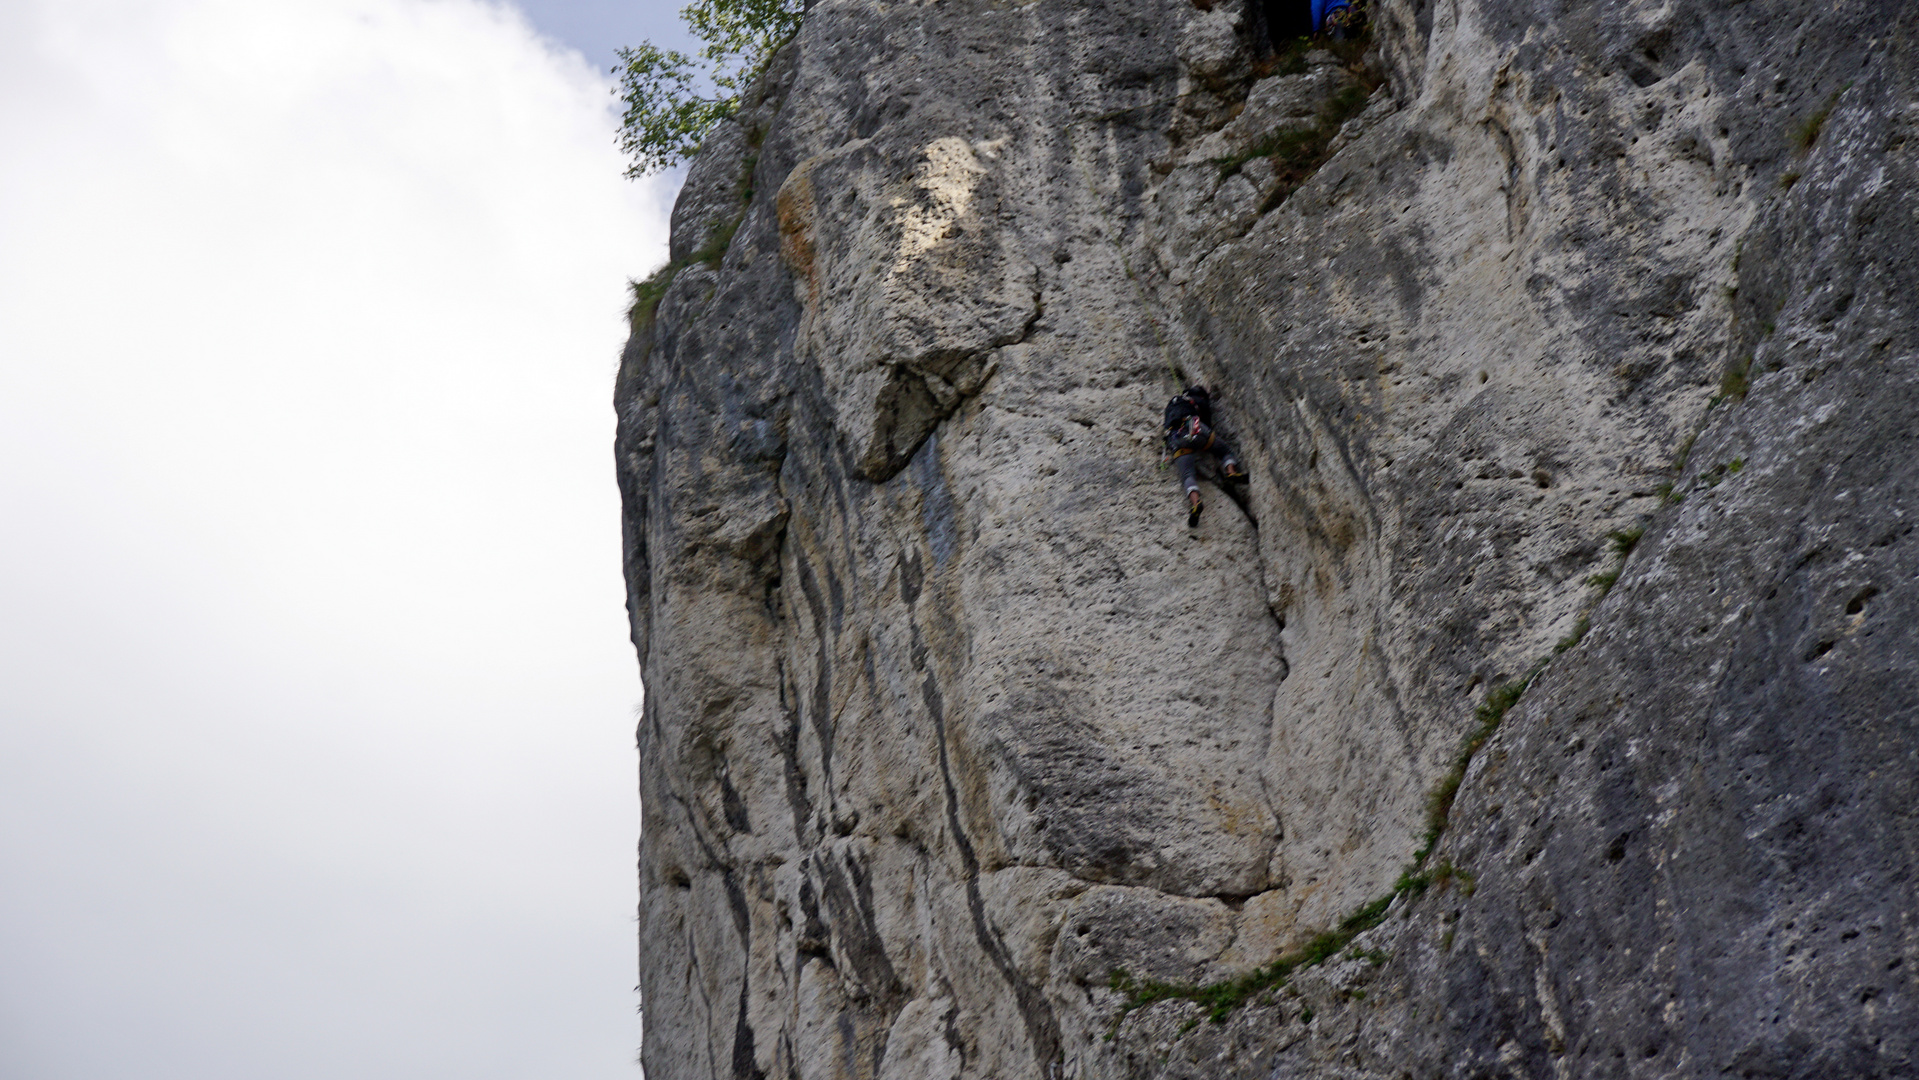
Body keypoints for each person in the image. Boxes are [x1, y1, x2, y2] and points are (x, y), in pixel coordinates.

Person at [1162, 384, 1246, 527]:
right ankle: (1231, 472)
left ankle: (1196, 503)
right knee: (1224, 451)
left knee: (1187, 475)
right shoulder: (1196, 400)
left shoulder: (1171, 406)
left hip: (1176, 438)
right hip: (1195, 429)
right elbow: (1207, 419)